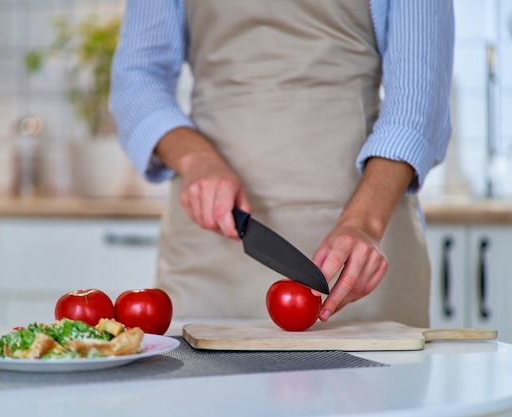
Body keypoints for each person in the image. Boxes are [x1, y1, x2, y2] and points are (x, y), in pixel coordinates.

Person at [109, 0, 455, 328]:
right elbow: (137, 78)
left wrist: (365, 221)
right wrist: (196, 159)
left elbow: (418, 96)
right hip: (210, 238)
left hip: (361, 244)